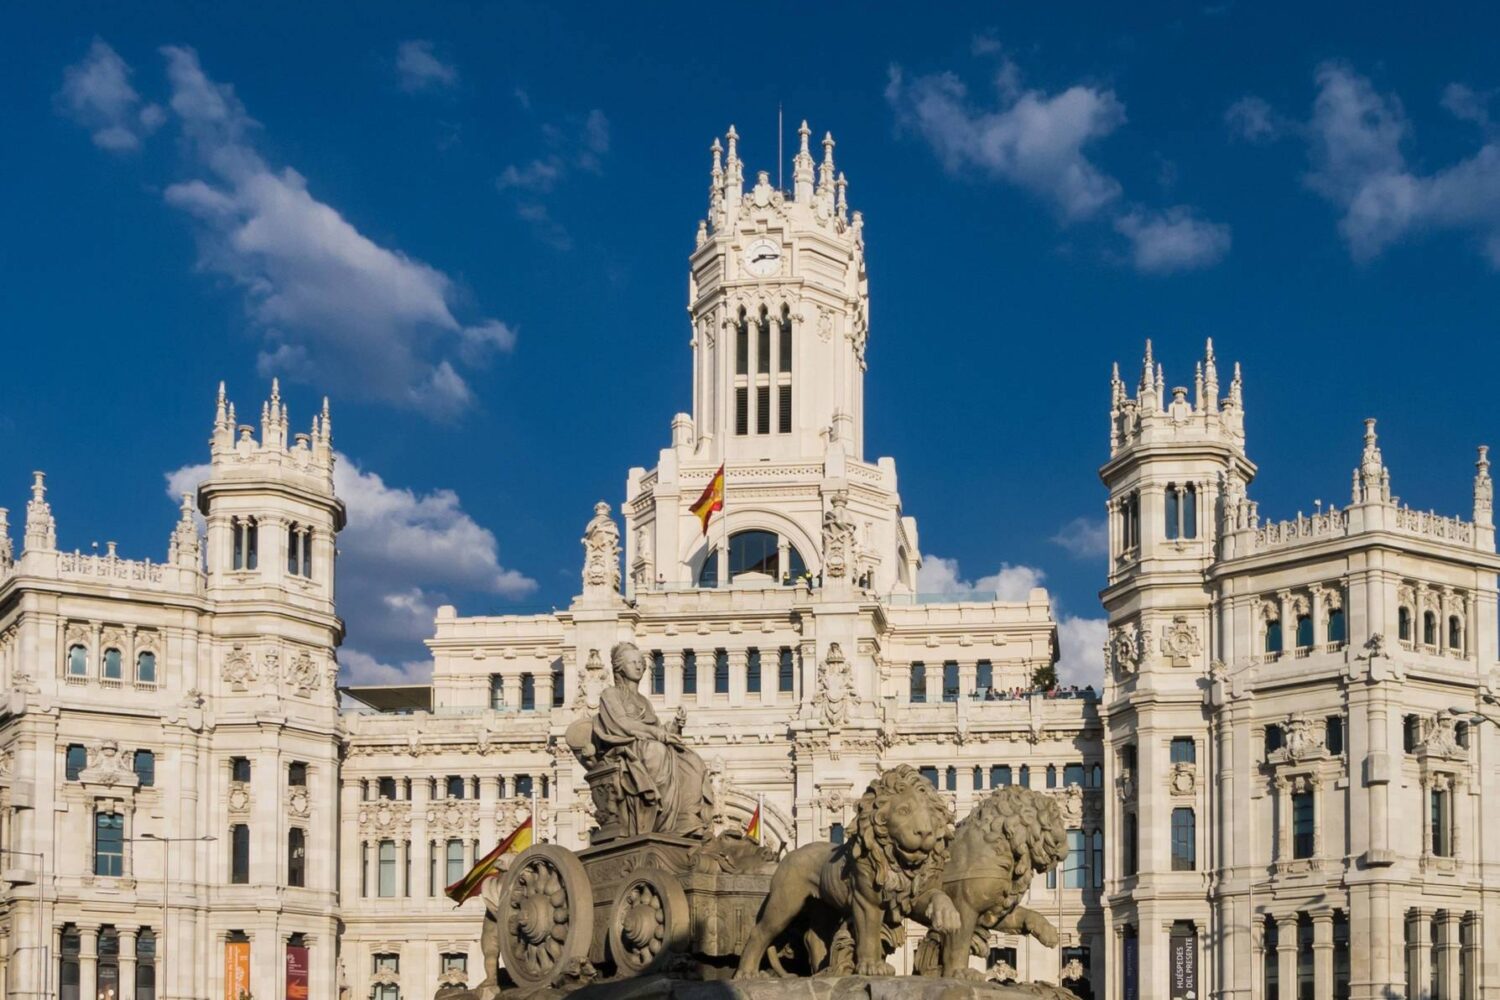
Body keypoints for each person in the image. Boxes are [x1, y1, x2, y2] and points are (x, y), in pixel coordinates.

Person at [592, 642, 713, 838]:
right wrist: (660, 735)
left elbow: (656, 729)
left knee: (693, 762)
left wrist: (675, 726)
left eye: (641, 662)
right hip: (626, 748)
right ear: (619, 667)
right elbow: (622, 725)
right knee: (657, 751)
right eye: (633, 662)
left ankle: (686, 819)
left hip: (648, 744)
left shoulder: (643, 701)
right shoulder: (610, 694)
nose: (639, 666)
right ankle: (663, 822)